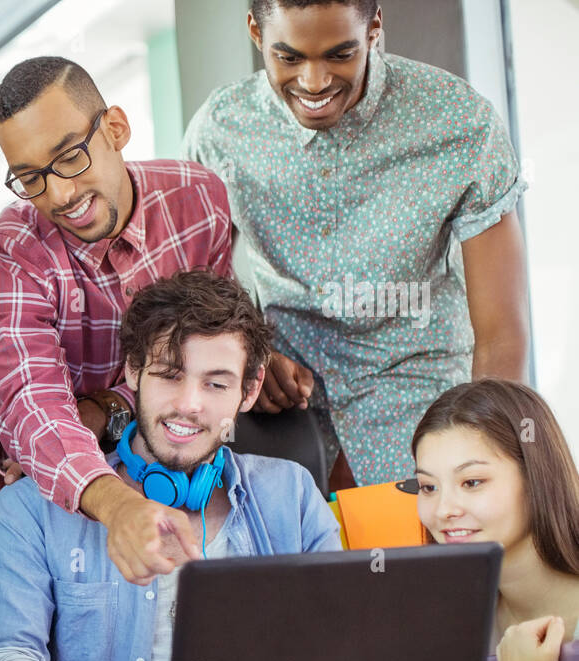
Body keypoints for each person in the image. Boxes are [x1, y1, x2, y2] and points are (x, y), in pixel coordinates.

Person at [0, 269, 546, 661]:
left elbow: (350, 644)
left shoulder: (291, 493)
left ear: (249, 390)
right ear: (133, 371)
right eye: (169, 375)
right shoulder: (33, 509)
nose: (188, 405)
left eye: (216, 383)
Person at [183, 0, 529, 490]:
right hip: (281, 403)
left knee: (420, 563)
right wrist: (248, 351)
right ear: (256, 34)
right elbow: (200, 283)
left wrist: (479, 455)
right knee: (279, 563)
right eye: (289, 58)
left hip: (417, 391)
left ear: (374, 29)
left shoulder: (458, 122)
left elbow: (501, 334)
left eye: (339, 54)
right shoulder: (220, 130)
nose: (315, 81)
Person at [0, 55, 234, 587]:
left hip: (169, 464)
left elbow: (210, 348)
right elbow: (33, 405)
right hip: (35, 484)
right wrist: (118, 506)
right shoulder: (9, 254)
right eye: (30, 178)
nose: (60, 195)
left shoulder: (199, 199)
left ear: (115, 128)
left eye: (69, 157)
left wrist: (109, 405)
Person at [413, 379, 579, 661]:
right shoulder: (448, 623)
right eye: (427, 487)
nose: (443, 510)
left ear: (536, 476)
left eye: (472, 482)